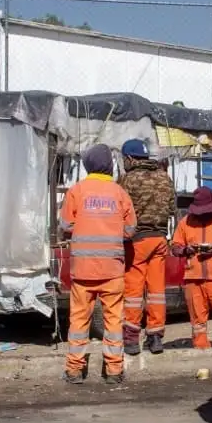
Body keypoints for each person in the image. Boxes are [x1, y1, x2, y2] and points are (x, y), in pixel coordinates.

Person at [60, 144, 136, 385]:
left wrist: (85, 226)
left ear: (88, 165)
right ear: (110, 166)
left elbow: (66, 225)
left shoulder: (76, 191)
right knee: (114, 321)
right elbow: (130, 230)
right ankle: (114, 370)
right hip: (112, 269)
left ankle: (74, 370)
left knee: (78, 321)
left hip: (83, 269)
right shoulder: (120, 193)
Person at [120, 139, 176, 356]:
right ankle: (155, 337)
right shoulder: (164, 177)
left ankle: (131, 339)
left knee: (133, 291)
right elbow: (172, 208)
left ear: (130, 158)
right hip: (160, 239)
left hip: (137, 242)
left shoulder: (128, 179)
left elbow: (121, 210)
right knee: (156, 291)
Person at [171, 187, 212, 349]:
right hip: (193, 278)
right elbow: (175, 247)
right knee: (197, 320)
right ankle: (201, 349)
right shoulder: (185, 221)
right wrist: (186, 250)